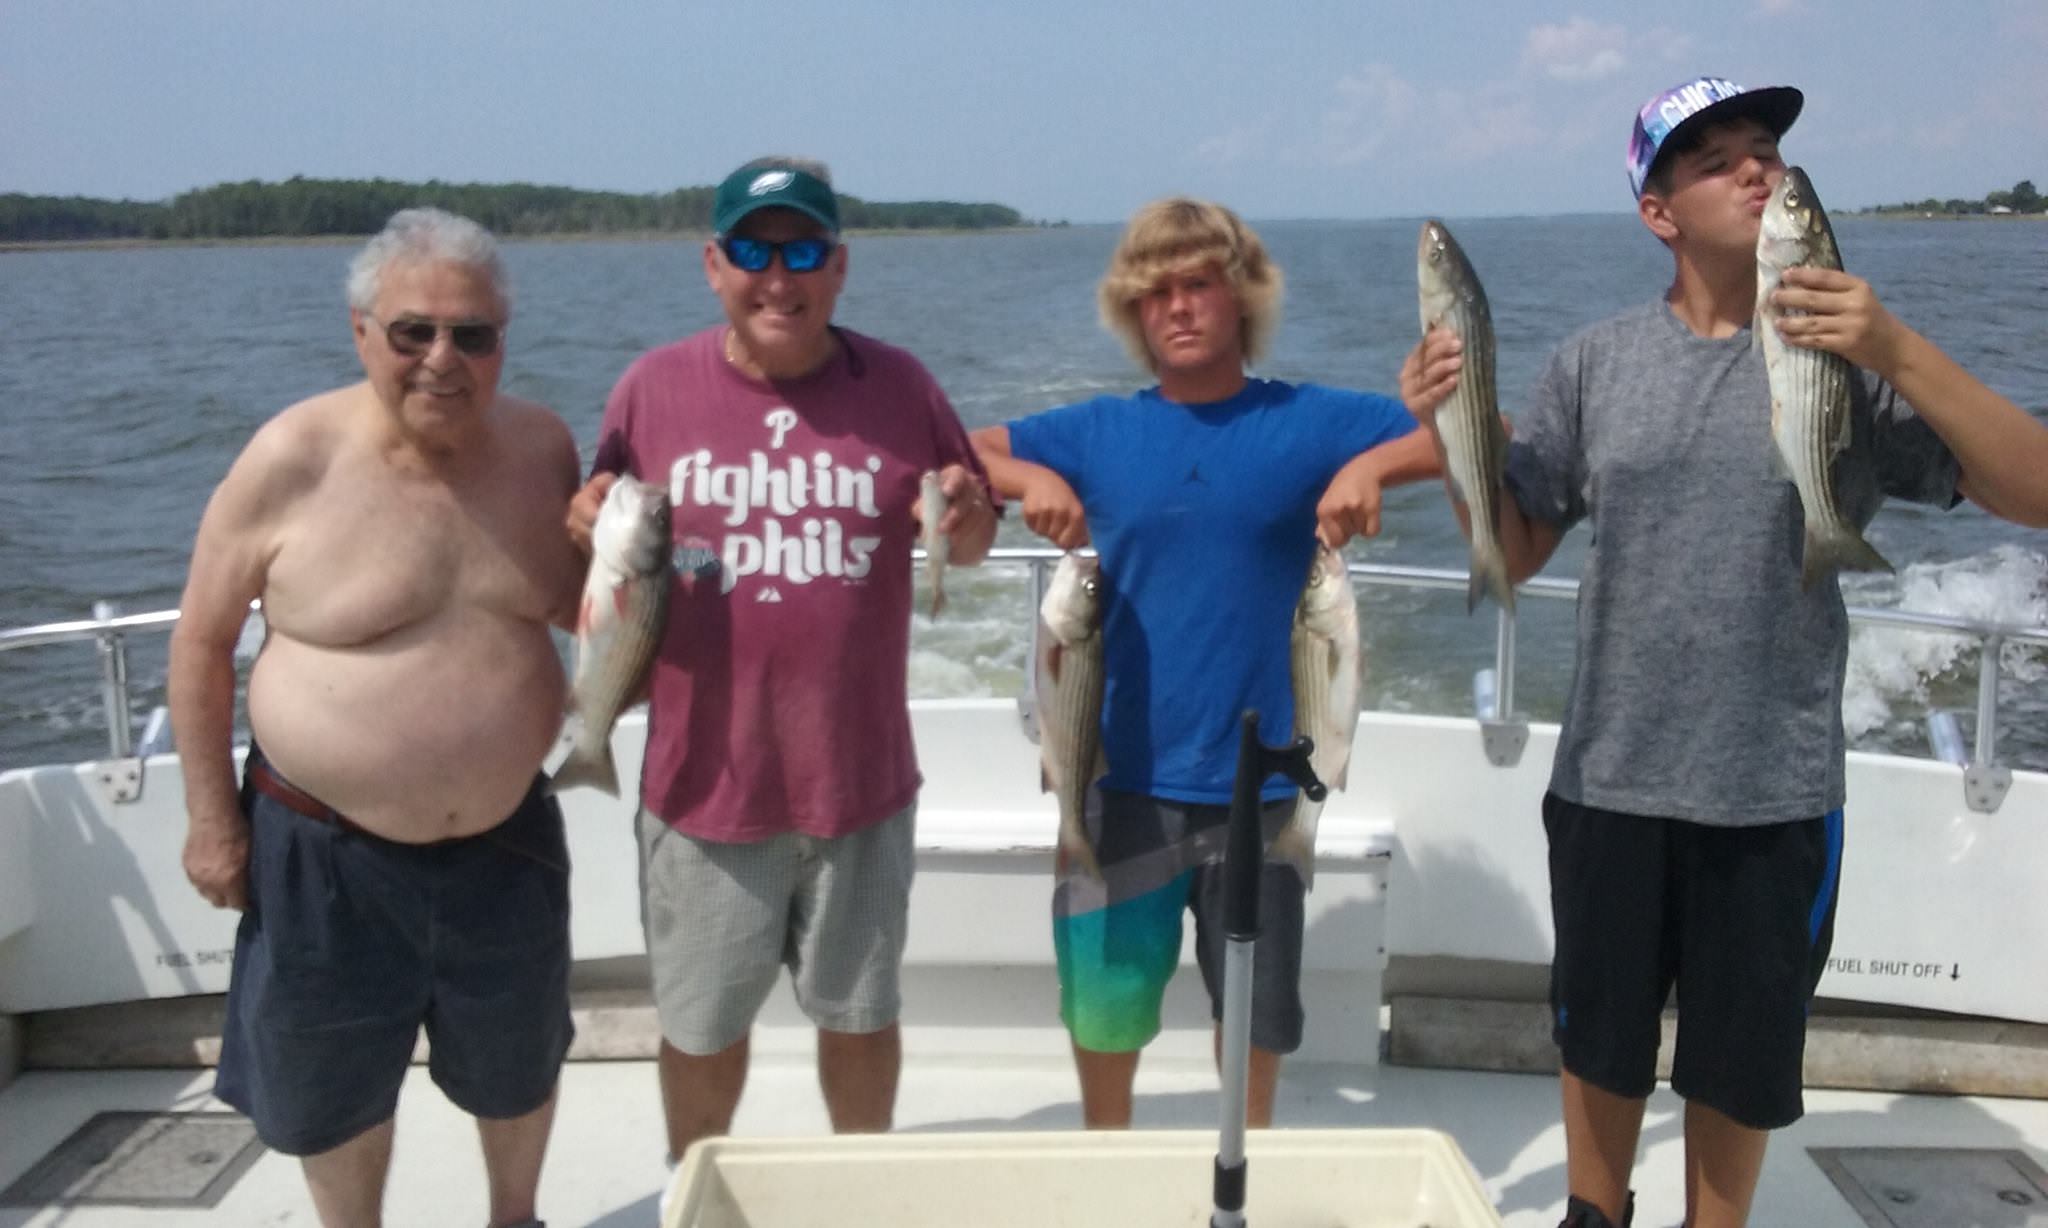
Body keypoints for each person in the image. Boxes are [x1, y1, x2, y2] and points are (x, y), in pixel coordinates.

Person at [1399, 77, 2048, 1228]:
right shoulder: (1593, 362)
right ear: (1657, 210)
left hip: (1772, 786)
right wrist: (1443, 432)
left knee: (1737, 1063)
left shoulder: (1844, 360)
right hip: (1608, 775)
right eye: (1715, 159)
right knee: (1596, 1039)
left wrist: (1892, 343)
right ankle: (1592, 1216)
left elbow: (2030, 490)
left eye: (1766, 152)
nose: (1754, 170)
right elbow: (1515, 539)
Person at [565, 157, 999, 1179]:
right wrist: (585, 515)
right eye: (752, 251)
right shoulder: (650, 386)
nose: (777, 276)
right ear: (712, 265)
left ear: (839, 267)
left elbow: (966, 535)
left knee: (859, 1015)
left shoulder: (899, 384)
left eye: (801, 250)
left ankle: (855, 1192)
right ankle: (697, 1183)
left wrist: (969, 518)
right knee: (702, 1027)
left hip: (858, 784)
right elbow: (594, 510)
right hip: (702, 789)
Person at [970, 197, 1438, 1128]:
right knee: (1104, 1010)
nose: (1179, 308)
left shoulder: (1307, 421)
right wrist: (1036, 480)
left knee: (1255, 1015)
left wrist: (1372, 471)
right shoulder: (1099, 433)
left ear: (1244, 299)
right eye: (1156, 294)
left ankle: (1242, 1160)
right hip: (1117, 779)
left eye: (1200, 286)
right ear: (1133, 315)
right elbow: (953, 452)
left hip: (1260, 788)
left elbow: (1477, 439)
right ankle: (1109, 1153)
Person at [168, 207, 585, 1228]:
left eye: (472, 334)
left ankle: (514, 1218)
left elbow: (594, 608)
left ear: (501, 343)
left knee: (520, 1060)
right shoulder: (288, 458)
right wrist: (214, 822)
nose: (443, 358)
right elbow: (200, 642)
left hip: (506, 844)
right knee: (327, 1083)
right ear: (363, 333)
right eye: (414, 331)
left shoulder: (543, 451)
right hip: (323, 850)